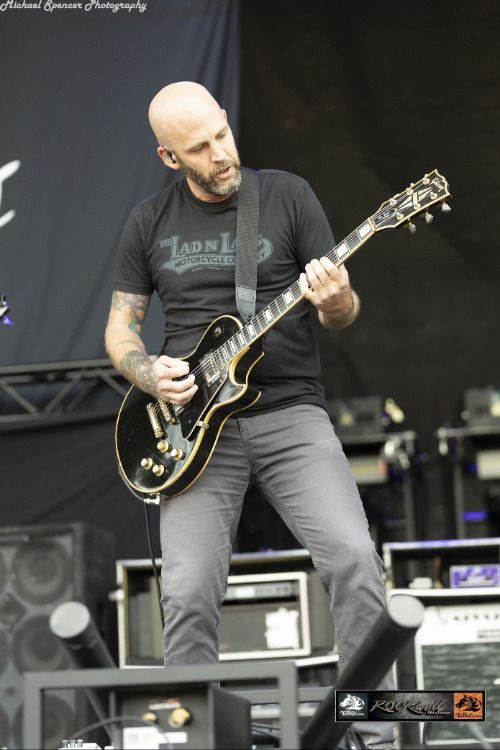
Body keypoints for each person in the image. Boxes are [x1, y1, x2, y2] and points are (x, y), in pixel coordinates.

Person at [105, 81, 395, 749]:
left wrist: (337, 298)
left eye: (222, 133)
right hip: (190, 431)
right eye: (199, 148)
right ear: (168, 157)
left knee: (356, 561)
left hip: (290, 412)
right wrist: (148, 373)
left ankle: (373, 732)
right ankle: (194, 739)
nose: (220, 153)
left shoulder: (287, 196)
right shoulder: (148, 221)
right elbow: (120, 330)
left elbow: (342, 314)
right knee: (186, 593)